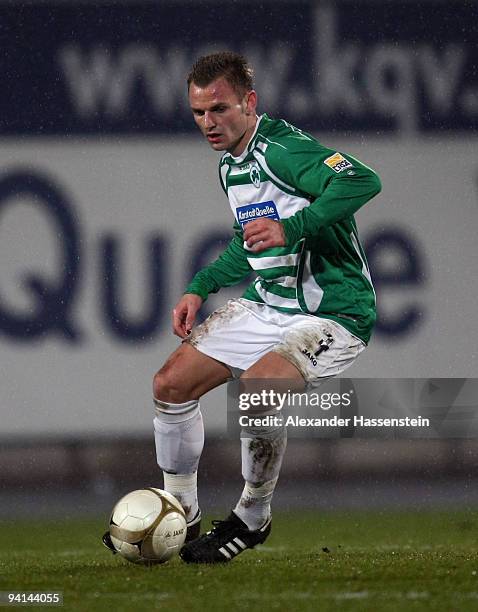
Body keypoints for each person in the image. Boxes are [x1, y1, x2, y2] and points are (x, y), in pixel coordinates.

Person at [106, 51, 381, 564]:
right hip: (267, 304)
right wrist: (200, 285)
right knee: (170, 385)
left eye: (220, 109)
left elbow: (362, 180)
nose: (208, 123)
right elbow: (249, 241)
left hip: (333, 312)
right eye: (198, 113)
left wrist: (292, 227)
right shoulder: (231, 165)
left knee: (258, 390)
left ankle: (253, 517)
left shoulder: (284, 151)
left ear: (249, 103)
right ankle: (180, 514)